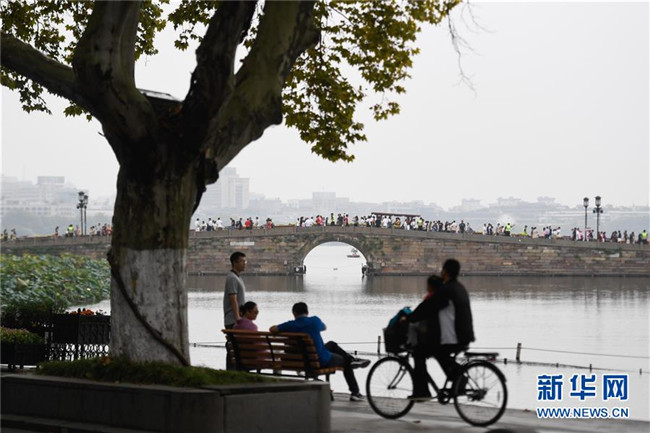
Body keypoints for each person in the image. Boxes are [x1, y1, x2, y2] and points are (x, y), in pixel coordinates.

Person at [270, 302, 371, 402]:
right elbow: (325, 327)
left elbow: (272, 329)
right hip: (321, 360)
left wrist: (287, 328)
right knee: (345, 361)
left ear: (294, 313)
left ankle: (353, 360)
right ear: (307, 312)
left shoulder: (290, 325)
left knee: (332, 344)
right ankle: (355, 392)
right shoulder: (315, 321)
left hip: (305, 360)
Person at [405, 259, 475, 401]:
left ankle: (422, 391)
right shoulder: (459, 288)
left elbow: (428, 307)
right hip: (464, 335)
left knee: (419, 353)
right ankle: (458, 378)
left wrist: (410, 318)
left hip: (453, 337)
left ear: (445, 272)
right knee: (439, 354)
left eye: (443, 270)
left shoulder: (446, 290)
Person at [223, 251, 247, 369]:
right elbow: (233, 299)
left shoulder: (238, 277)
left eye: (245, 261)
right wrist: (238, 318)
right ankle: (231, 371)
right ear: (234, 263)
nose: (244, 264)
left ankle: (234, 370)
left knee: (236, 348)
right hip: (233, 319)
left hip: (237, 318)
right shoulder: (232, 278)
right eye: (242, 261)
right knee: (233, 347)